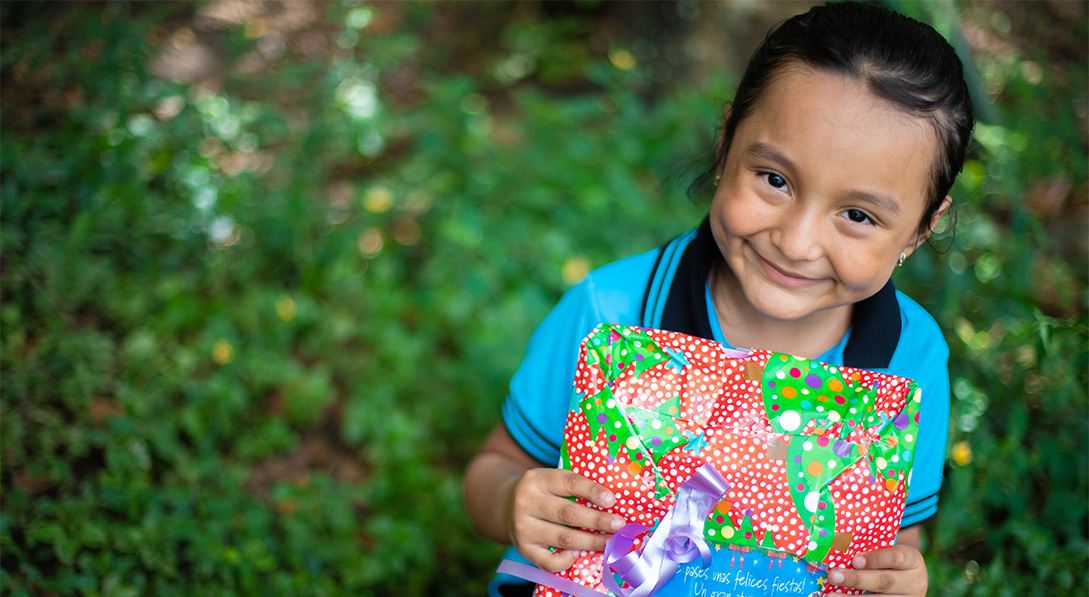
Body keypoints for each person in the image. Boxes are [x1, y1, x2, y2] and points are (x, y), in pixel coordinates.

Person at [464, 2, 974, 596]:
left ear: (920, 228)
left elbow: (888, 545)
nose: (796, 241)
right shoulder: (611, 312)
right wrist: (512, 504)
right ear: (728, 139)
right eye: (775, 179)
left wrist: (898, 580)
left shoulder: (912, 360)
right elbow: (493, 469)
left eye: (858, 215)